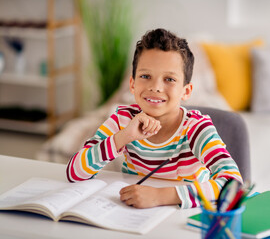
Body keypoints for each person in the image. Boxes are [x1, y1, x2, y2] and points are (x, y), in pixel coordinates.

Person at [66, 28, 243, 209]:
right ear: (132, 85)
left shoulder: (196, 128)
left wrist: (160, 196)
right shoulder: (123, 120)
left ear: (186, 91)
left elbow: (233, 184)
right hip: (133, 216)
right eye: (145, 76)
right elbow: (74, 172)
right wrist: (123, 137)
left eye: (169, 79)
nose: (156, 87)